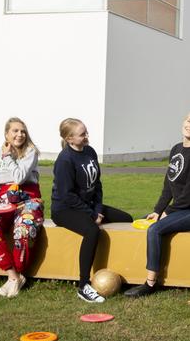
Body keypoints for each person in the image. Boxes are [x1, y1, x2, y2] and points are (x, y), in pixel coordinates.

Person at [123, 111, 190, 298]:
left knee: (155, 230)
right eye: (189, 121)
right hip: (181, 208)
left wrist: (168, 213)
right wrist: (157, 211)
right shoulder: (176, 149)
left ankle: (149, 283)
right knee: (152, 224)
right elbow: (169, 185)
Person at [50, 118, 133, 303]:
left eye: (86, 132)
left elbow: (97, 185)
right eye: (82, 134)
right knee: (92, 230)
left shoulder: (90, 151)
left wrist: (97, 209)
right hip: (65, 210)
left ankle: (130, 270)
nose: (87, 136)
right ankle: (84, 285)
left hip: (89, 206)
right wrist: (92, 214)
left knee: (127, 218)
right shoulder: (65, 160)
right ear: (69, 138)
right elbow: (67, 195)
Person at [0, 117, 42, 299]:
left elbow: (19, 177)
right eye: (15, 131)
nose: (20, 134)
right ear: (6, 134)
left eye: (23, 131)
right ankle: (13, 275)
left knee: (24, 229)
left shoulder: (30, 152)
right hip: (3, 202)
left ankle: (19, 272)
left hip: (28, 200)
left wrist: (8, 157)